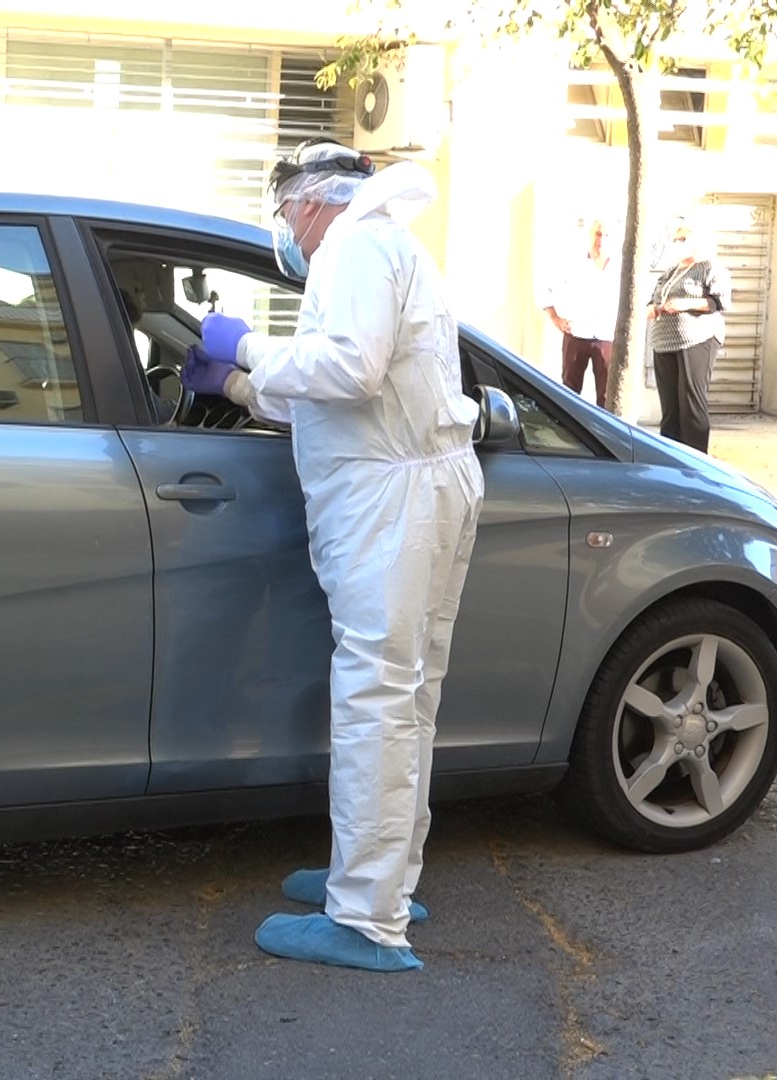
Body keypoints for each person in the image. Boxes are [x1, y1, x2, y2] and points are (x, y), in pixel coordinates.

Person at [180, 138, 484, 973]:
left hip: (393, 502)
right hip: (415, 485)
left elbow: (349, 368)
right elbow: (342, 390)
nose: (283, 229)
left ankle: (365, 919)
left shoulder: (352, 243)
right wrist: (242, 389)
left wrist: (242, 350)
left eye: (283, 212)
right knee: (402, 699)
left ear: (311, 201)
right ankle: (380, 879)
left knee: (376, 700)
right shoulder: (381, 243)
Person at [648, 220, 732, 453]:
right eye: (676, 239)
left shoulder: (710, 267)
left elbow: (719, 301)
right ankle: (671, 460)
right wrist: (652, 309)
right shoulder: (670, 272)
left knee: (691, 404)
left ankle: (696, 463)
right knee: (670, 408)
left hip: (697, 339)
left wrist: (684, 304)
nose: (678, 243)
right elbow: (653, 300)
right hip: (664, 342)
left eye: (683, 238)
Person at [541, 219, 620, 409]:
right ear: (590, 235)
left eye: (606, 235)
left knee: (607, 395)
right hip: (576, 335)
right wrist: (555, 318)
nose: (601, 239)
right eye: (598, 234)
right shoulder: (571, 263)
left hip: (606, 338)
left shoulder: (619, 267)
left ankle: (603, 436)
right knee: (569, 391)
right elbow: (545, 288)